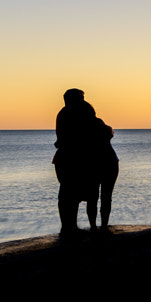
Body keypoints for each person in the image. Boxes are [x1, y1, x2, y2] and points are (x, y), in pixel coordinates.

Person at [53, 88, 119, 236]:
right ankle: (70, 227)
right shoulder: (77, 111)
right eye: (81, 97)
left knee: (70, 194)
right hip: (72, 159)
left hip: (70, 158)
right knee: (69, 194)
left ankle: (70, 227)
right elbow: (104, 130)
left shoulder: (66, 113)